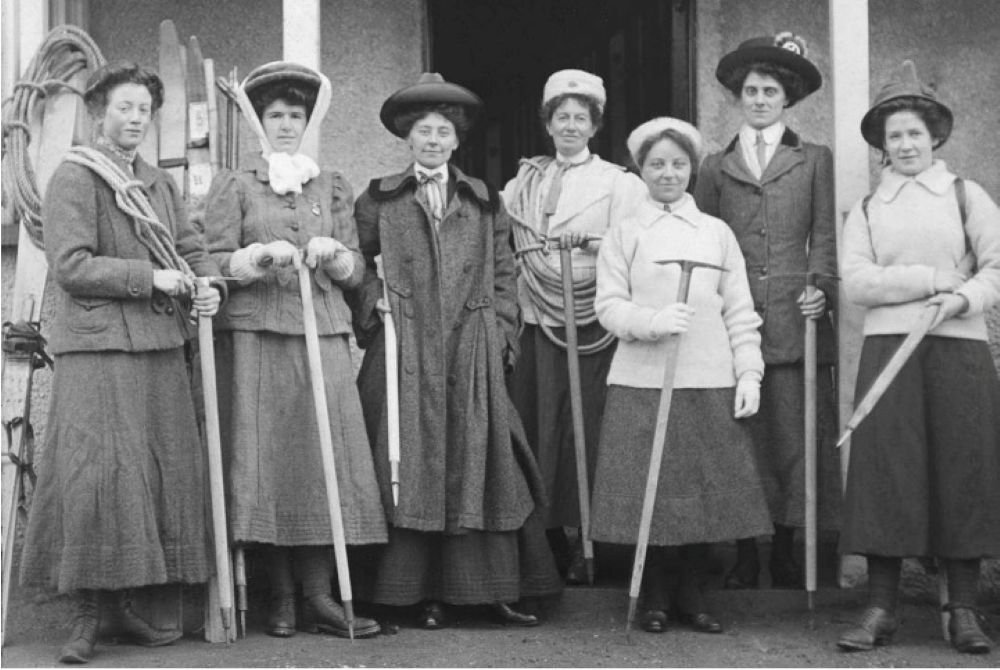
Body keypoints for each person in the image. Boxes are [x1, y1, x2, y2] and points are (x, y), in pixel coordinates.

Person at [19, 61, 223, 664]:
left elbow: (189, 248)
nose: (135, 119)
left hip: (158, 347)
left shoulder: (157, 184)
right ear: (98, 113)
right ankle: (85, 616)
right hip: (98, 348)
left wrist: (209, 285)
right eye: (124, 108)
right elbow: (71, 266)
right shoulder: (75, 176)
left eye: (144, 110)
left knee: (149, 478)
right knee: (94, 477)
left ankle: (125, 607)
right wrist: (150, 277)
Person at [348, 72, 561, 630]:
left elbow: (505, 274)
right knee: (406, 463)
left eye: (443, 131)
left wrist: (501, 336)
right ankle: (410, 594)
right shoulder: (379, 198)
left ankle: (487, 590)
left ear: (457, 140)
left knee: (485, 461)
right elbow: (354, 264)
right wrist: (374, 302)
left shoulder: (484, 200)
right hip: (404, 349)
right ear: (407, 137)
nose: (433, 140)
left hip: (471, 348)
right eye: (424, 131)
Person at [201, 61, 386, 639]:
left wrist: (335, 255)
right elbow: (210, 258)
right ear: (260, 122)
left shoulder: (330, 183)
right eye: (275, 116)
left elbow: (357, 270)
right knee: (270, 464)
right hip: (258, 336)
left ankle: (320, 595)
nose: (285, 125)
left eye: (295, 116)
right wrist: (254, 259)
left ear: (308, 123)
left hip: (320, 333)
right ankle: (279, 598)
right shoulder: (235, 183)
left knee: (324, 463)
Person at [837, 60, 1000, 655]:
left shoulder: (965, 195)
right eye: (895, 135)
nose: (905, 144)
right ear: (882, 145)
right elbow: (857, 282)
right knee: (887, 471)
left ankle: (964, 611)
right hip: (888, 351)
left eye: (915, 133)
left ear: (934, 137)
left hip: (959, 352)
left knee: (963, 469)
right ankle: (881, 608)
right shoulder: (869, 208)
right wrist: (929, 278)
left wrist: (961, 298)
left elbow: (996, 268)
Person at [590, 117, 771, 634]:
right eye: (656, 164)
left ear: (691, 169)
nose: (668, 173)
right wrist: (650, 322)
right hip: (642, 379)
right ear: (640, 170)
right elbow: (608, 305)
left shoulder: (716, 233)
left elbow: (740, 310)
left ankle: (694, 592)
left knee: (700, 490)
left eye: (677, 164)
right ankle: (655, 593)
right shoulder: (625, 233)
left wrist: (749, 373)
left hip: (707, 375)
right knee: (652, 493)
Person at [694, 32, 839, 589]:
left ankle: (784, 549)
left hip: (794, 318)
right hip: (733, 322)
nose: (759, 100)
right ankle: (745, 554)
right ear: (738, 96)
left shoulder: (814, 159)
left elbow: (823, 236)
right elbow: (705, 241)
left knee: (792, 440)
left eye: (770, 92)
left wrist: (820, 288)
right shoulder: (715, 166)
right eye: (751, 91)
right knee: (742, 440)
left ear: (787, 98)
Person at [501, 70, 646, 584]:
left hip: (593, 321)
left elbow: (635, 246)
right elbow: (504, 246)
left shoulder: (621, 183)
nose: (570, 126)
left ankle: (598, 537)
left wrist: (592, 242)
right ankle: (548, 539)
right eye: (561, 117)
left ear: (595, 125)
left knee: (591, 425)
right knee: (542, 424)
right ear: (548, 123)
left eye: (580, 118)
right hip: (537, 318)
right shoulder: (521, 184)